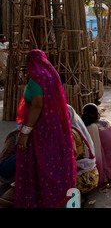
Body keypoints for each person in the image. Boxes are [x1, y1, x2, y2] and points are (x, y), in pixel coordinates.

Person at [14, 49, 77, 208]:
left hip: (42, 130)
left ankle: (47, 202)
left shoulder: (36, 79)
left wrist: (25, 133)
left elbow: (37, 106)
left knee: (44, 166)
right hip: (56, 128)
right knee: (57, 165)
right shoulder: (52, 75)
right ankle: (65, 202)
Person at [67, 105, 99, 194]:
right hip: (92, 174)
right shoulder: (78, 128)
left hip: (84, 180)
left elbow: (70, 157)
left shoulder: (72, 133)